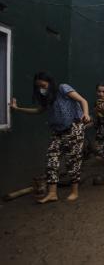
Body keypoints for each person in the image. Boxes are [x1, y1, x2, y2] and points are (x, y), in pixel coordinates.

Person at [9, 72, 90, 203]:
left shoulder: (62, 88)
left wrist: (86, 114)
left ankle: (74, 191)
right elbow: (38, 111)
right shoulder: (47, 97)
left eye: (43, 85)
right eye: (39, 86)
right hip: (57, 131)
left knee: (72, 161)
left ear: (50, 83)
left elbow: (82, 100)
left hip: (73, 128)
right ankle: (52, 193)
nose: (42, 88)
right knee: (51, 160)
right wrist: (18, 109)